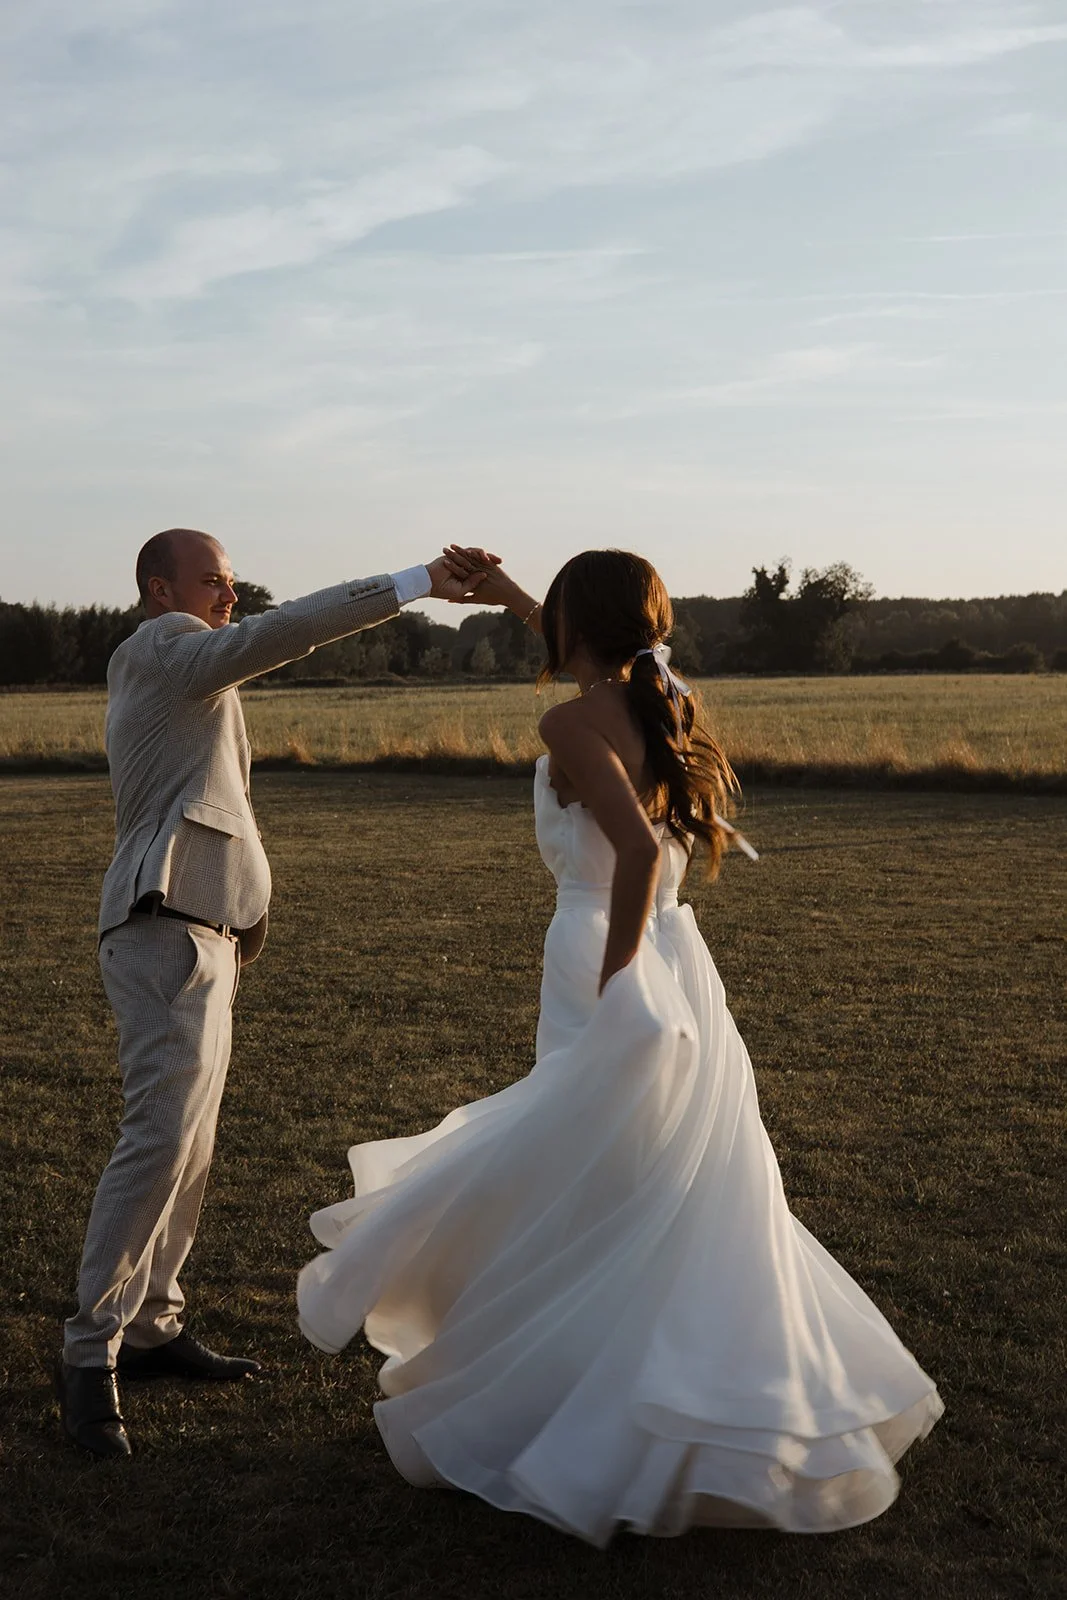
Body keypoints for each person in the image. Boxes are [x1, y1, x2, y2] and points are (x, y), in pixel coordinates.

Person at [297, 547, 943, 1546]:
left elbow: (635, 849)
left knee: (582, 1162)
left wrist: (614, 980)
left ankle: (573, 1394)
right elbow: (606, 688)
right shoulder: (661, 697)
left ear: (577, 625)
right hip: (679, 954)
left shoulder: (569, 722)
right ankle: (655, 1385)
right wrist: (515, 599)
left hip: (610, 950)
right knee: (656, 1174)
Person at [56, 529, 490, 1458]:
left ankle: (153, 1328)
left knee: (191, 1146)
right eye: (210, 579)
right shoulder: (164, 646)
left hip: (201, 929)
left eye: (229, 579)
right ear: (158, 589)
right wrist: (415, 582)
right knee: (158, 1139)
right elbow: (283, 631)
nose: (229, 592)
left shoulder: (189, 672)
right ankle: (89, 1354)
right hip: (161, 928)